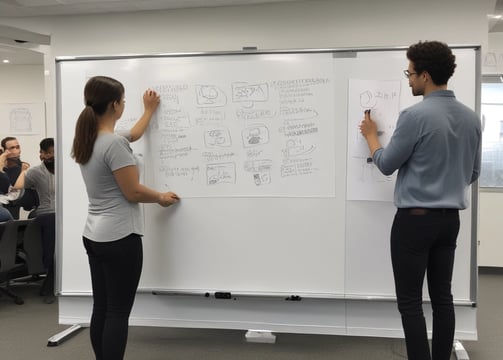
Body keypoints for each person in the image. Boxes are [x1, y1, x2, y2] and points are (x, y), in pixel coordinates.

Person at [359, 41, 481, 360]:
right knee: (443, 298)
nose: (409, 79)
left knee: (410, 302)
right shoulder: (471, 119)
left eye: (410, 73)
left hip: (414, 221)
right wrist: (444, 182)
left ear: (425, 76)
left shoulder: (415, 116)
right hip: (448, 221)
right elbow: (473, 172)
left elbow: (386, 164)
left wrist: (371, 136)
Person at [71, 76, 180, 360]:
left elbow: (133, 133)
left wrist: (149, 110)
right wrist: (161, 197)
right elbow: (132, 192)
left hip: (94, 235)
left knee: (102, 308)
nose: (123, 105)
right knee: (118, 312)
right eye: (123, 100)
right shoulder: (113, 145)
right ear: (114, 105)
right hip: (120, 237)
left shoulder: (90, 139)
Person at [14, 137, 56, 303]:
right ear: (43, 154)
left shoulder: (65, 169)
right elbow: (17, 186)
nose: (53, 156)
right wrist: (24, 170)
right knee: (52, 235)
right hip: (47, 213)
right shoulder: (37, 171)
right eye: (50, 153)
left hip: (64, 214)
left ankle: (55, 281)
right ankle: (50, 282)